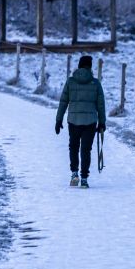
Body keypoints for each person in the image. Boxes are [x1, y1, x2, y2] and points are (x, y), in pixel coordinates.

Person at [55, 55, 106, 188]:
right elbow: (101, 105)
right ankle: (84, 179)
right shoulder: (95, 83)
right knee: (86, 150)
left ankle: (74, 174)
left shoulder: (70, 81)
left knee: (73, 147)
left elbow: (63, 101)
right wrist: (102, 122)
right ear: (90, 66)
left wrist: (58, 119)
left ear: (79, 66)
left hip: (73, 121)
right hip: (90, 122)